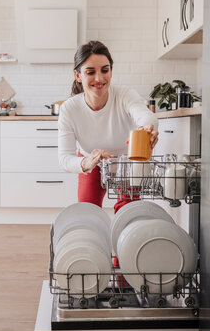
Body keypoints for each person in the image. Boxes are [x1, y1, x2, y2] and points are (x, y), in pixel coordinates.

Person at [58, 41, 159, 213]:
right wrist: (87, 162)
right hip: (92, 161)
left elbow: (144, 115)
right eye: (90, 72)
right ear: (78, 75)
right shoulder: (69, 108)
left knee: (128, 212)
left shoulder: (124, 95)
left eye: (105, 70)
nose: (99, 78)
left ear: (111, 71)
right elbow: (65, 159)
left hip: (126, 162)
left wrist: (148, 127)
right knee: (87, 211)